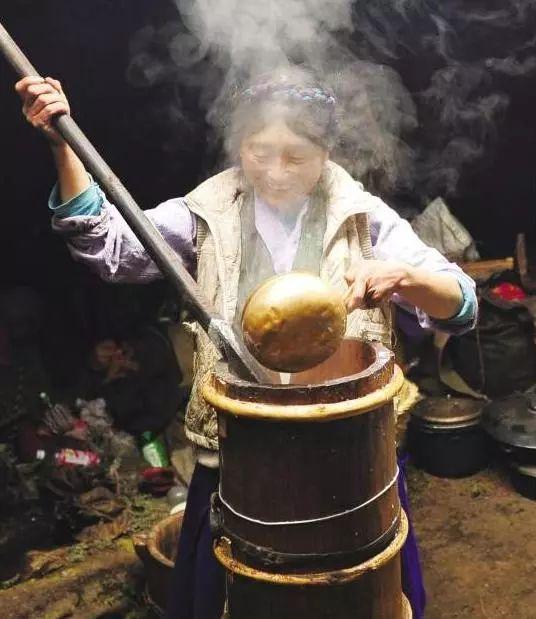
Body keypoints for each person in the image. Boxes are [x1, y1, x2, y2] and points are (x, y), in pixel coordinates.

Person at [16, 67, 477, 619]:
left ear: (327, 151)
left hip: (347, 452)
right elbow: (108, 248)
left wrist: (404, 276)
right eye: (260, 152)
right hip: (239, 453)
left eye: (296, 156)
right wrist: (61, 144)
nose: (276, 172)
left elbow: (464, 305)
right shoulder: (207, 214)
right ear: (238, 145)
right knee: (236, 596)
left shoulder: (363, 217)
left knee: (357, 594)